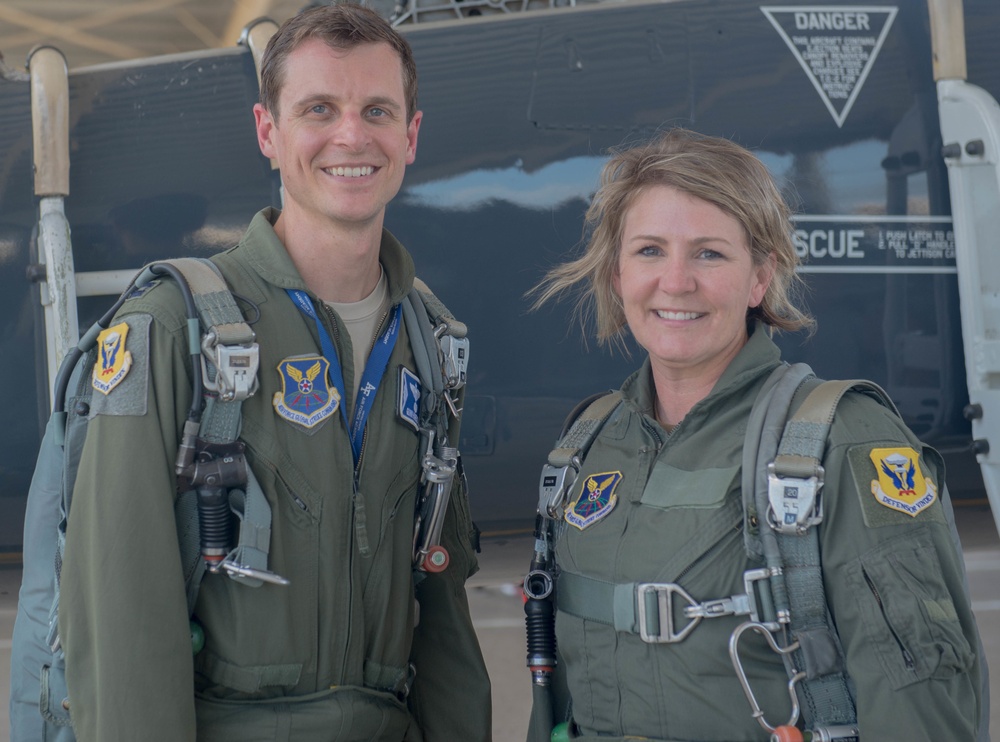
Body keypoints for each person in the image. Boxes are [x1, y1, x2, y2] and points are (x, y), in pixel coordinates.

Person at [56, 4, 491, 740]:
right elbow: (122, 615)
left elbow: (441, 608)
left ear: (409, 136)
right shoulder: (169, 329)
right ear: (269, 132)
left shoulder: (430, 338)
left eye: (376, 110)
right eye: (319, 108)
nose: (351, 135)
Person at [526, 128, 985, 741]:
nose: (676, 281)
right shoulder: (587, 443)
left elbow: (921, 700)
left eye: (710, 253)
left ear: (760, 277)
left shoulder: (838, 441)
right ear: (616, 274)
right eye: (650, 251)